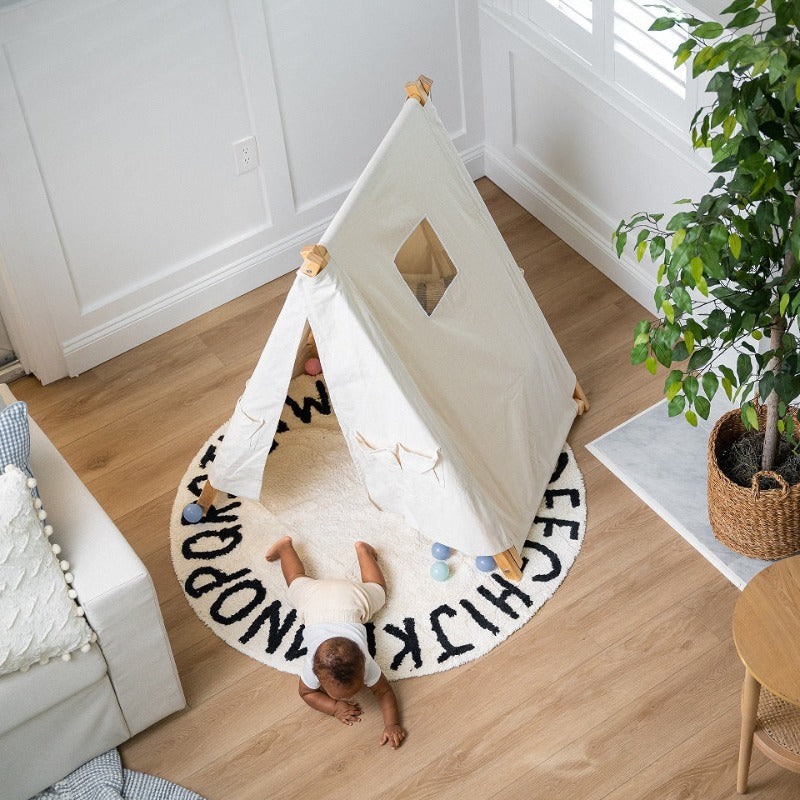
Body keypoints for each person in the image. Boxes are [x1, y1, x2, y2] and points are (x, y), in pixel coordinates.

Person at [265, 536, 406, 749]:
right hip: (335, 599)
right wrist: (335, 707)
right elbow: (383, 692)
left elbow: (307, 693)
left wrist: (393, 724)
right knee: (375, 589)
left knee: (296, 578)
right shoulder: (357, 663)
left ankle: (285, 547)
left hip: (338, 599)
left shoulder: (363, 663)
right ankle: (362, 550)